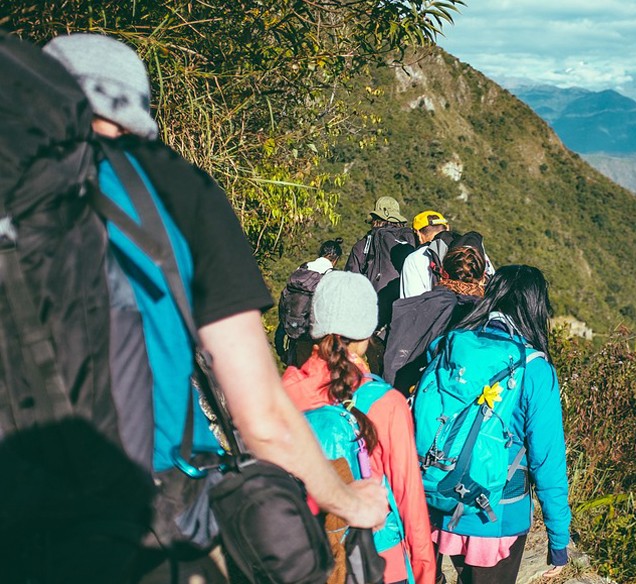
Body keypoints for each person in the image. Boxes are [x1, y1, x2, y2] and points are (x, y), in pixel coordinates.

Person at [42, 32, 389, 578]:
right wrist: (351, 502)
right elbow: (262, 419)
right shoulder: (173, 189)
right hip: (143, 518)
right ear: (137, 108)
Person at [283, 271, 436, 584]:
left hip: (307, 560)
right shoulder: (385, 402)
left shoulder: (285, 393)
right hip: (377, 559)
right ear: (367, 333)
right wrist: (424, 573)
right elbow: (409, 501)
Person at [425, 266, 571, 584]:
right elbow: (549, 463)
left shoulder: (452, 344)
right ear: (535, 308)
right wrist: (558, 540)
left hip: (440, 500)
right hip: (496, 517)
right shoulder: (534, 368)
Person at [384, 234, 488, 394]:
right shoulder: (488, 316)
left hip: (411, 395)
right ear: (482, 278)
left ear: (443, 272)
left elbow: (396, 357)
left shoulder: (417, 305)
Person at [275, 237, 344, 367]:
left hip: (294, 334)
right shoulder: (332, 276)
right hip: (317, 339)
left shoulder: (301, 269)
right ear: (335, 260)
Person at [400, 210, 454, 299]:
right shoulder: (467, 250)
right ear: (447, 228)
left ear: (418, 233)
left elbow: (412, 302)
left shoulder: (415, 259)